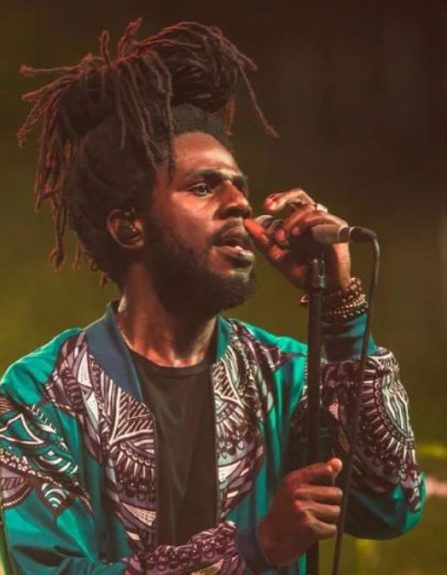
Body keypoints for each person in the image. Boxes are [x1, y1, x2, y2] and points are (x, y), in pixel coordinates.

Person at [0, 19, 424, 575]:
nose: (239, 204)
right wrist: (257, 547)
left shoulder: (288, 376)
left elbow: (392, 504)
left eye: (239, 186)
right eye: (203, 186)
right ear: (129, 227)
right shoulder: (40, 395)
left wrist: (342, 310)